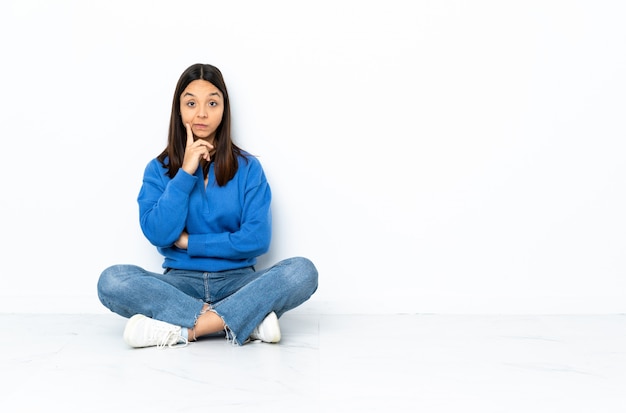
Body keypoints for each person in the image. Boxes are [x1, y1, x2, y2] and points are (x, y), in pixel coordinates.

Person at [97, 63, 318, 349]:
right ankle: (244, 321)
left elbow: (256, 239)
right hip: (180, 285)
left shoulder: (249, 168)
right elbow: (158, 233)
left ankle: (184, 329)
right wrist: (185, 173)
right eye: (191, 103)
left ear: (224, 109)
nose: (201, 113)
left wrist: (189, 243)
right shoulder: (159, 170)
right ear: (179, 110)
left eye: (212, 103)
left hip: (238, 283)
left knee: (301, 271)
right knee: (112, 280)